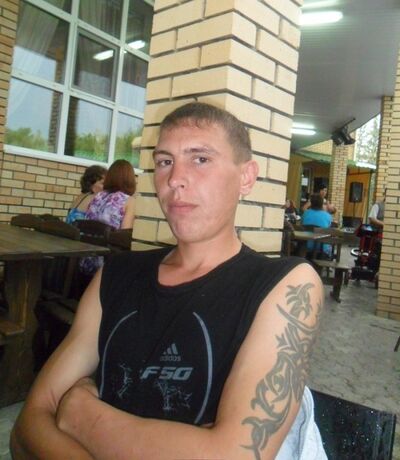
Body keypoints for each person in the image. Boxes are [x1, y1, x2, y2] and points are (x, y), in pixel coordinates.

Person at [11, 102, 326, 459]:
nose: (175, 178)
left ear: (246, 177)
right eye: (164, 162)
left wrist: (84, 417)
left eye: (200, 159)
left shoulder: (284, 286)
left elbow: (235, 455)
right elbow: (27, 427)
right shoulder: (114, 276)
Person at [80, 159, 136, 276]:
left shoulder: (97, 196)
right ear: (130, 179)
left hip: (85, 258)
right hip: (107, 264)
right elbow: (124, 237)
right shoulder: (129, 201)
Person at [302, 193, 333, 258]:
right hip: (322, 249)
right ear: (322, 204)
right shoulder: (328, 216)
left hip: (306, 247)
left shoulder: (305, 213)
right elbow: (328, 230)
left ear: (311, 203)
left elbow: (302, 225)